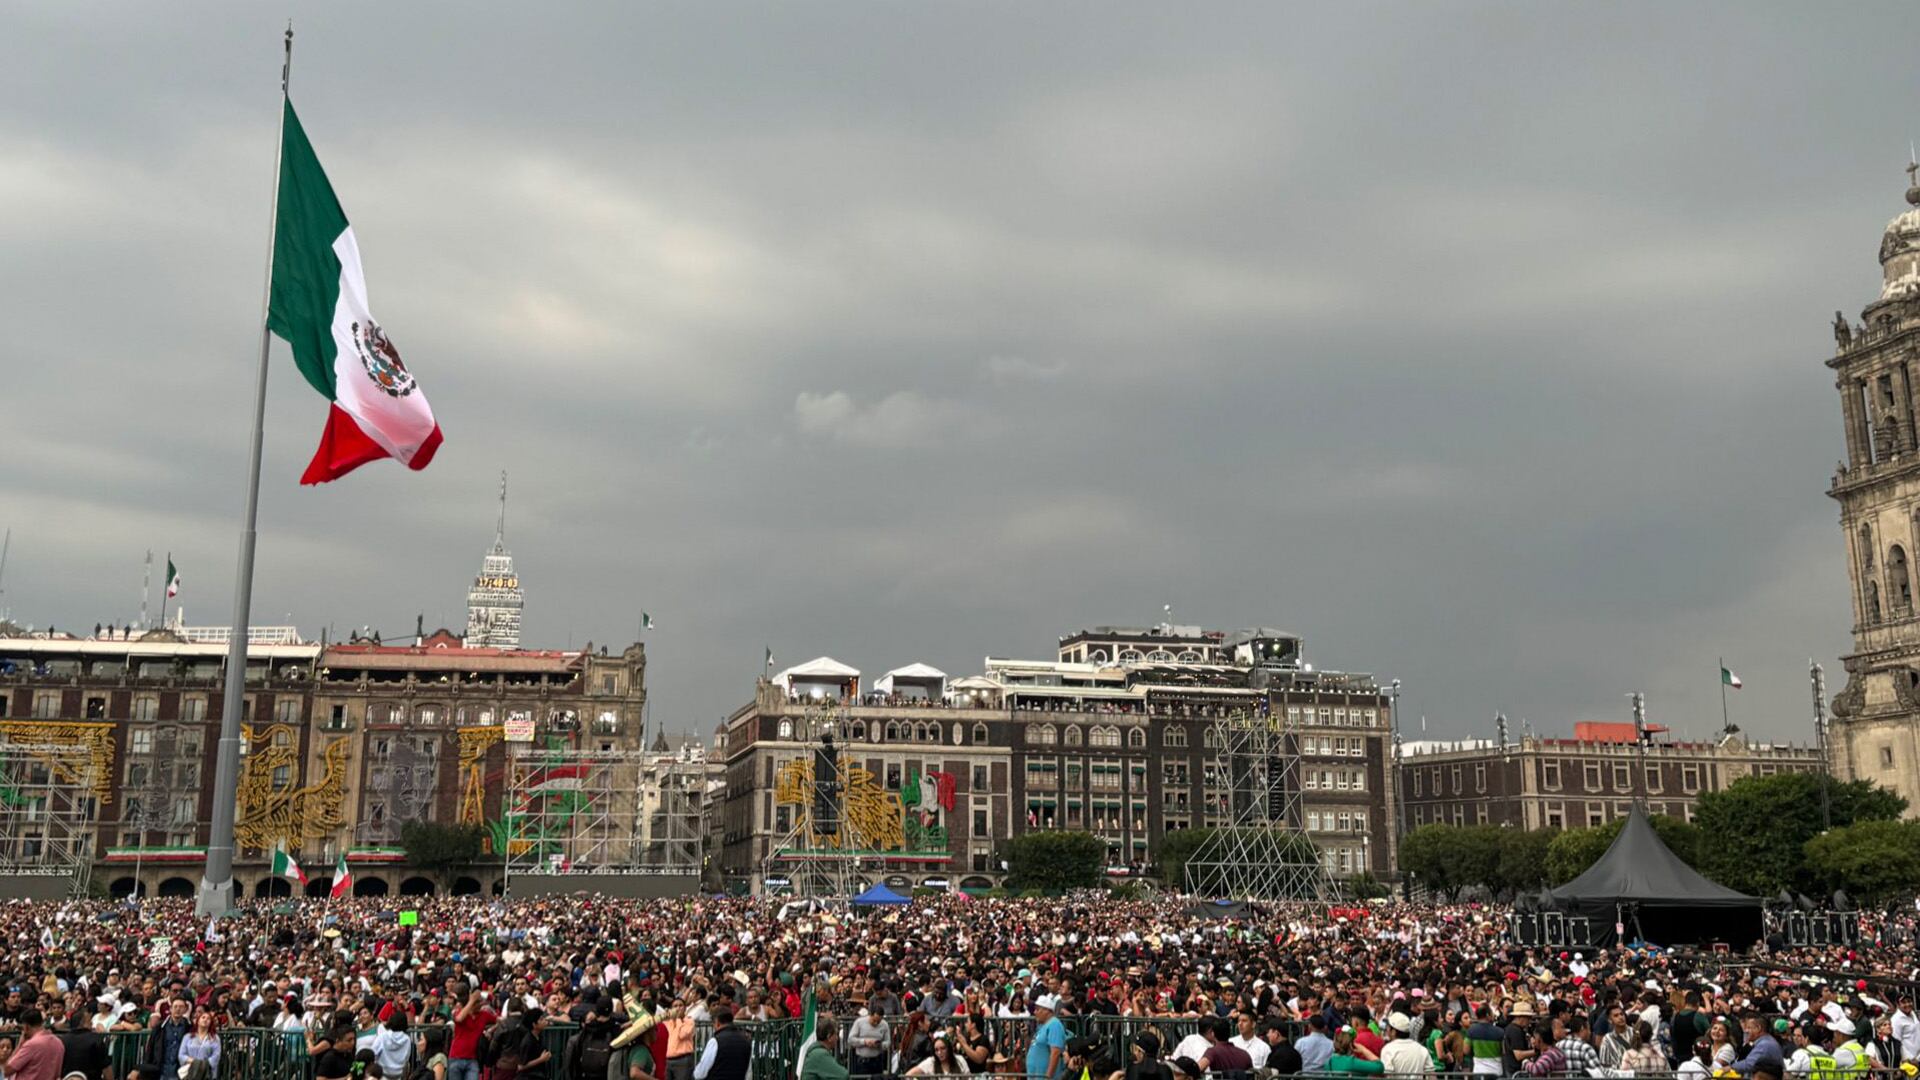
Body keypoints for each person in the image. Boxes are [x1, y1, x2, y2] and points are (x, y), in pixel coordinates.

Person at [449, 989, 497, 1080]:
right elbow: (459, 1019)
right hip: (456, 1057)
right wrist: (472, 1000)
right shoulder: (460, 1012)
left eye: (480, 1002)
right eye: (478, 1002)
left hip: (472, 1059)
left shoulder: (484, 1015)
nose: (480, 1004)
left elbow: (500, 1020)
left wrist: (490, 1030)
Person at [693, 1008, 751, 1080]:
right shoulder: (745, 1040)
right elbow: (748, 1072)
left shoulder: (715, 1041)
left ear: (717, 1022)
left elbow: (700, 1073)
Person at [7, 1009, 65, 1080]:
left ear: (26, 1027)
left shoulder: (31, 1045)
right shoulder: (59, 1043)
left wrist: (20, 1044)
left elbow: (7, 1070)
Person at [1028, 996, 1068, 1080]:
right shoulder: (1042, 1026)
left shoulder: (1054, 1025)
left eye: (1037, 1009)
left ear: (1047, 1010)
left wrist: (1048, 1077)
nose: (1035, 1012)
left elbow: (1055, 1053)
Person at [179, 1010, 222, 1079]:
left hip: (207, 1074)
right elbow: (181, 1055)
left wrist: (202, 1065)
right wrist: (196, 1063)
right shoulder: (187, 1037)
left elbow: (216, 1056)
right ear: (198, 1021)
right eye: (203, 1017)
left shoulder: (215, 1038)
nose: (205, 1020)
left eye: (208, 1019)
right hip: (190, 1073)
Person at [848, 1008, 890, 1077]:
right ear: (870, 1015)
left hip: (877, 1061)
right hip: (862, 1061)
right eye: (874, 1020)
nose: (876, 1023)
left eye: (878, 1021)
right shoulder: (859, 1022)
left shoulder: (884, 1025)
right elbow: (850, 1039)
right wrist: (864, 1042)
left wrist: (880, 1045)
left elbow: (888, 1042)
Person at [371, 1012, 412, 1079]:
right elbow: (406, 1058)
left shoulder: (383, 1036)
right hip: (398, 1075)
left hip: (382, 1074)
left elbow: (373, 1052)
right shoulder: (407, 1039)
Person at [1501, 1000, 1537, 1075]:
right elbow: (1519, 1055)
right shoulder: (1515, 1031)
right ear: (1520, 1017)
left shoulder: (1513, 1029)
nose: (1529, 1021)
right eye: (1528, 1018)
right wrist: (1537, 1051)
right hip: (1516, 1072)